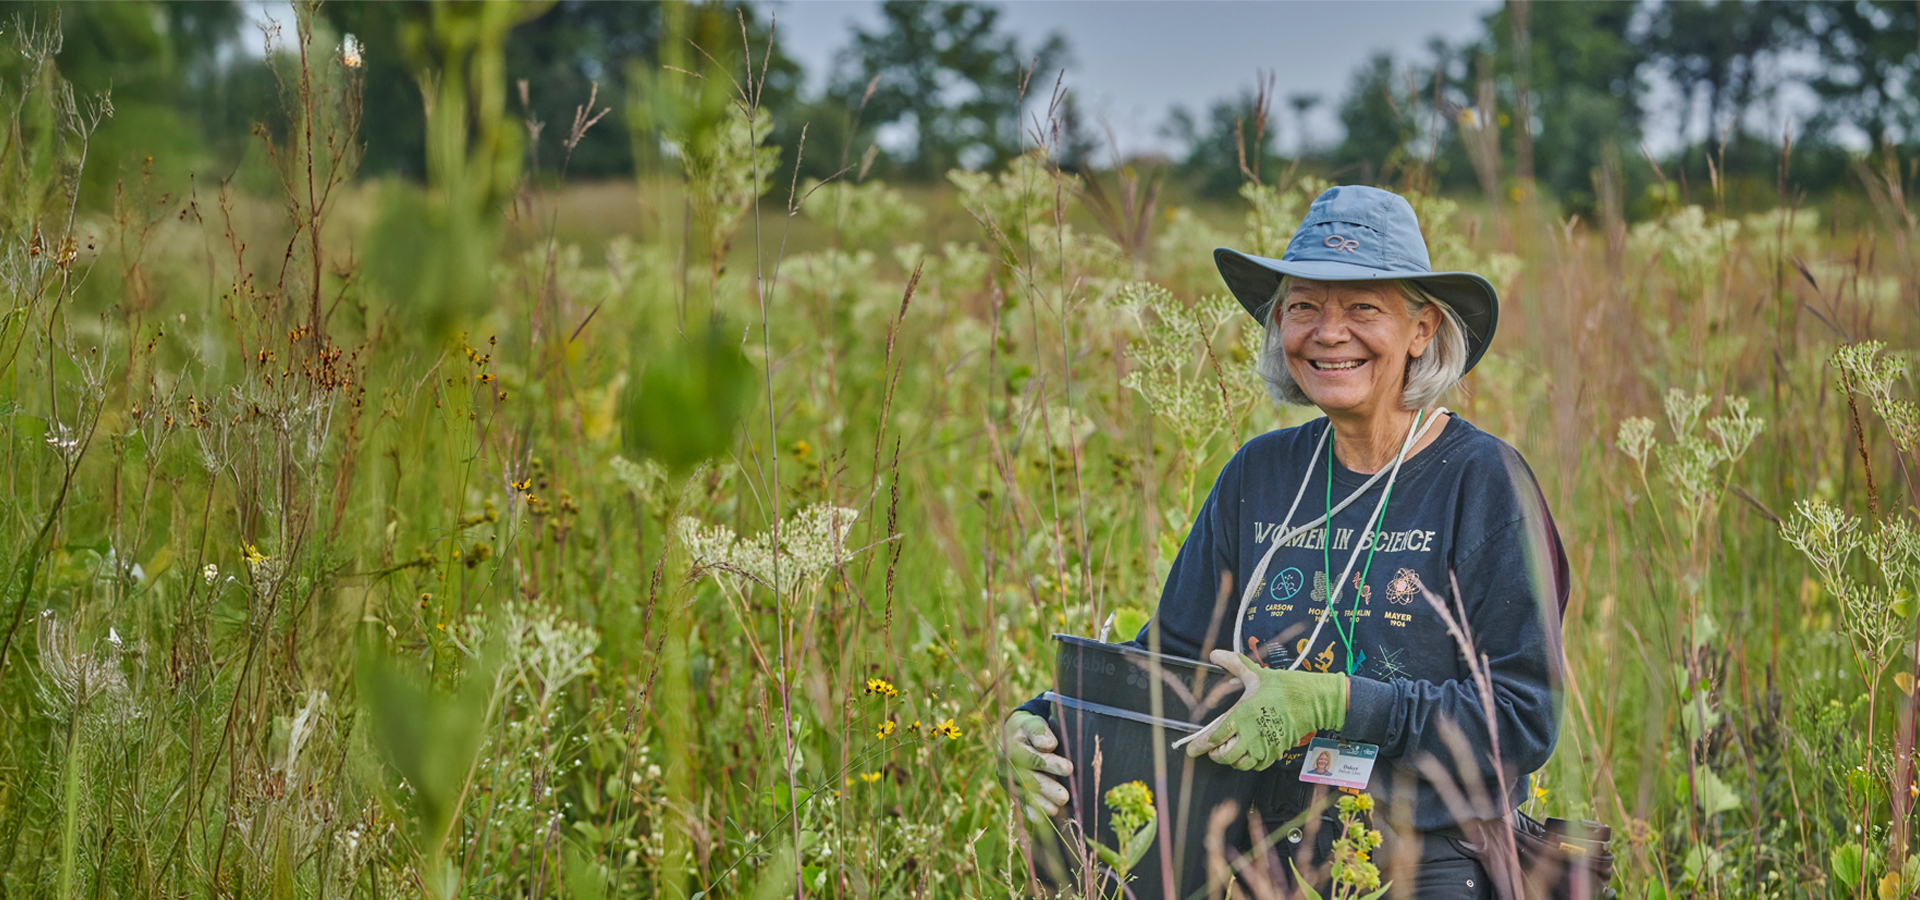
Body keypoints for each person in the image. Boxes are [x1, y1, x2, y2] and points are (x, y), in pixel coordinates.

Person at [1000, 185, 1567, 900]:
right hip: (1274, 867)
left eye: (1364, 307)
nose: (1329, 333)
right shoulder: (1262, 475)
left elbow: (1521, 719)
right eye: (1303, 306)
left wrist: (1334, 702)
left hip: (1430, 866)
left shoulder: (1483, 482)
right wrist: (1039, 722)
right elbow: (1171, 663)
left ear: (1422, 329)